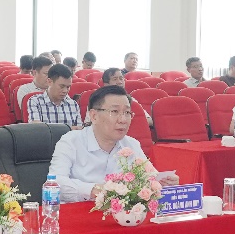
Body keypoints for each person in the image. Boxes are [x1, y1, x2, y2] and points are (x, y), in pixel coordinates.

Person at [49, 86, 179, 202]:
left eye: (127, 113)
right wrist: (93, 190)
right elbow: (55, 182)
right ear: (94, 116)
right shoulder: (71, 141)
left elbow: (150, 177)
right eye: (115, 112)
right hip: (78, 213)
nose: (123, 120)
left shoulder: (131, 144)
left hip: (121, 216)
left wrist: (164, 183)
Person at [25, 63, 81, 128]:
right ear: (49, 82)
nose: (65, 91)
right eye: (61, 86)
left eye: (68, 87)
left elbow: (79, 130)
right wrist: (68, 129)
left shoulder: (73, 104)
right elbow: (37, 128)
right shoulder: (35, 101)